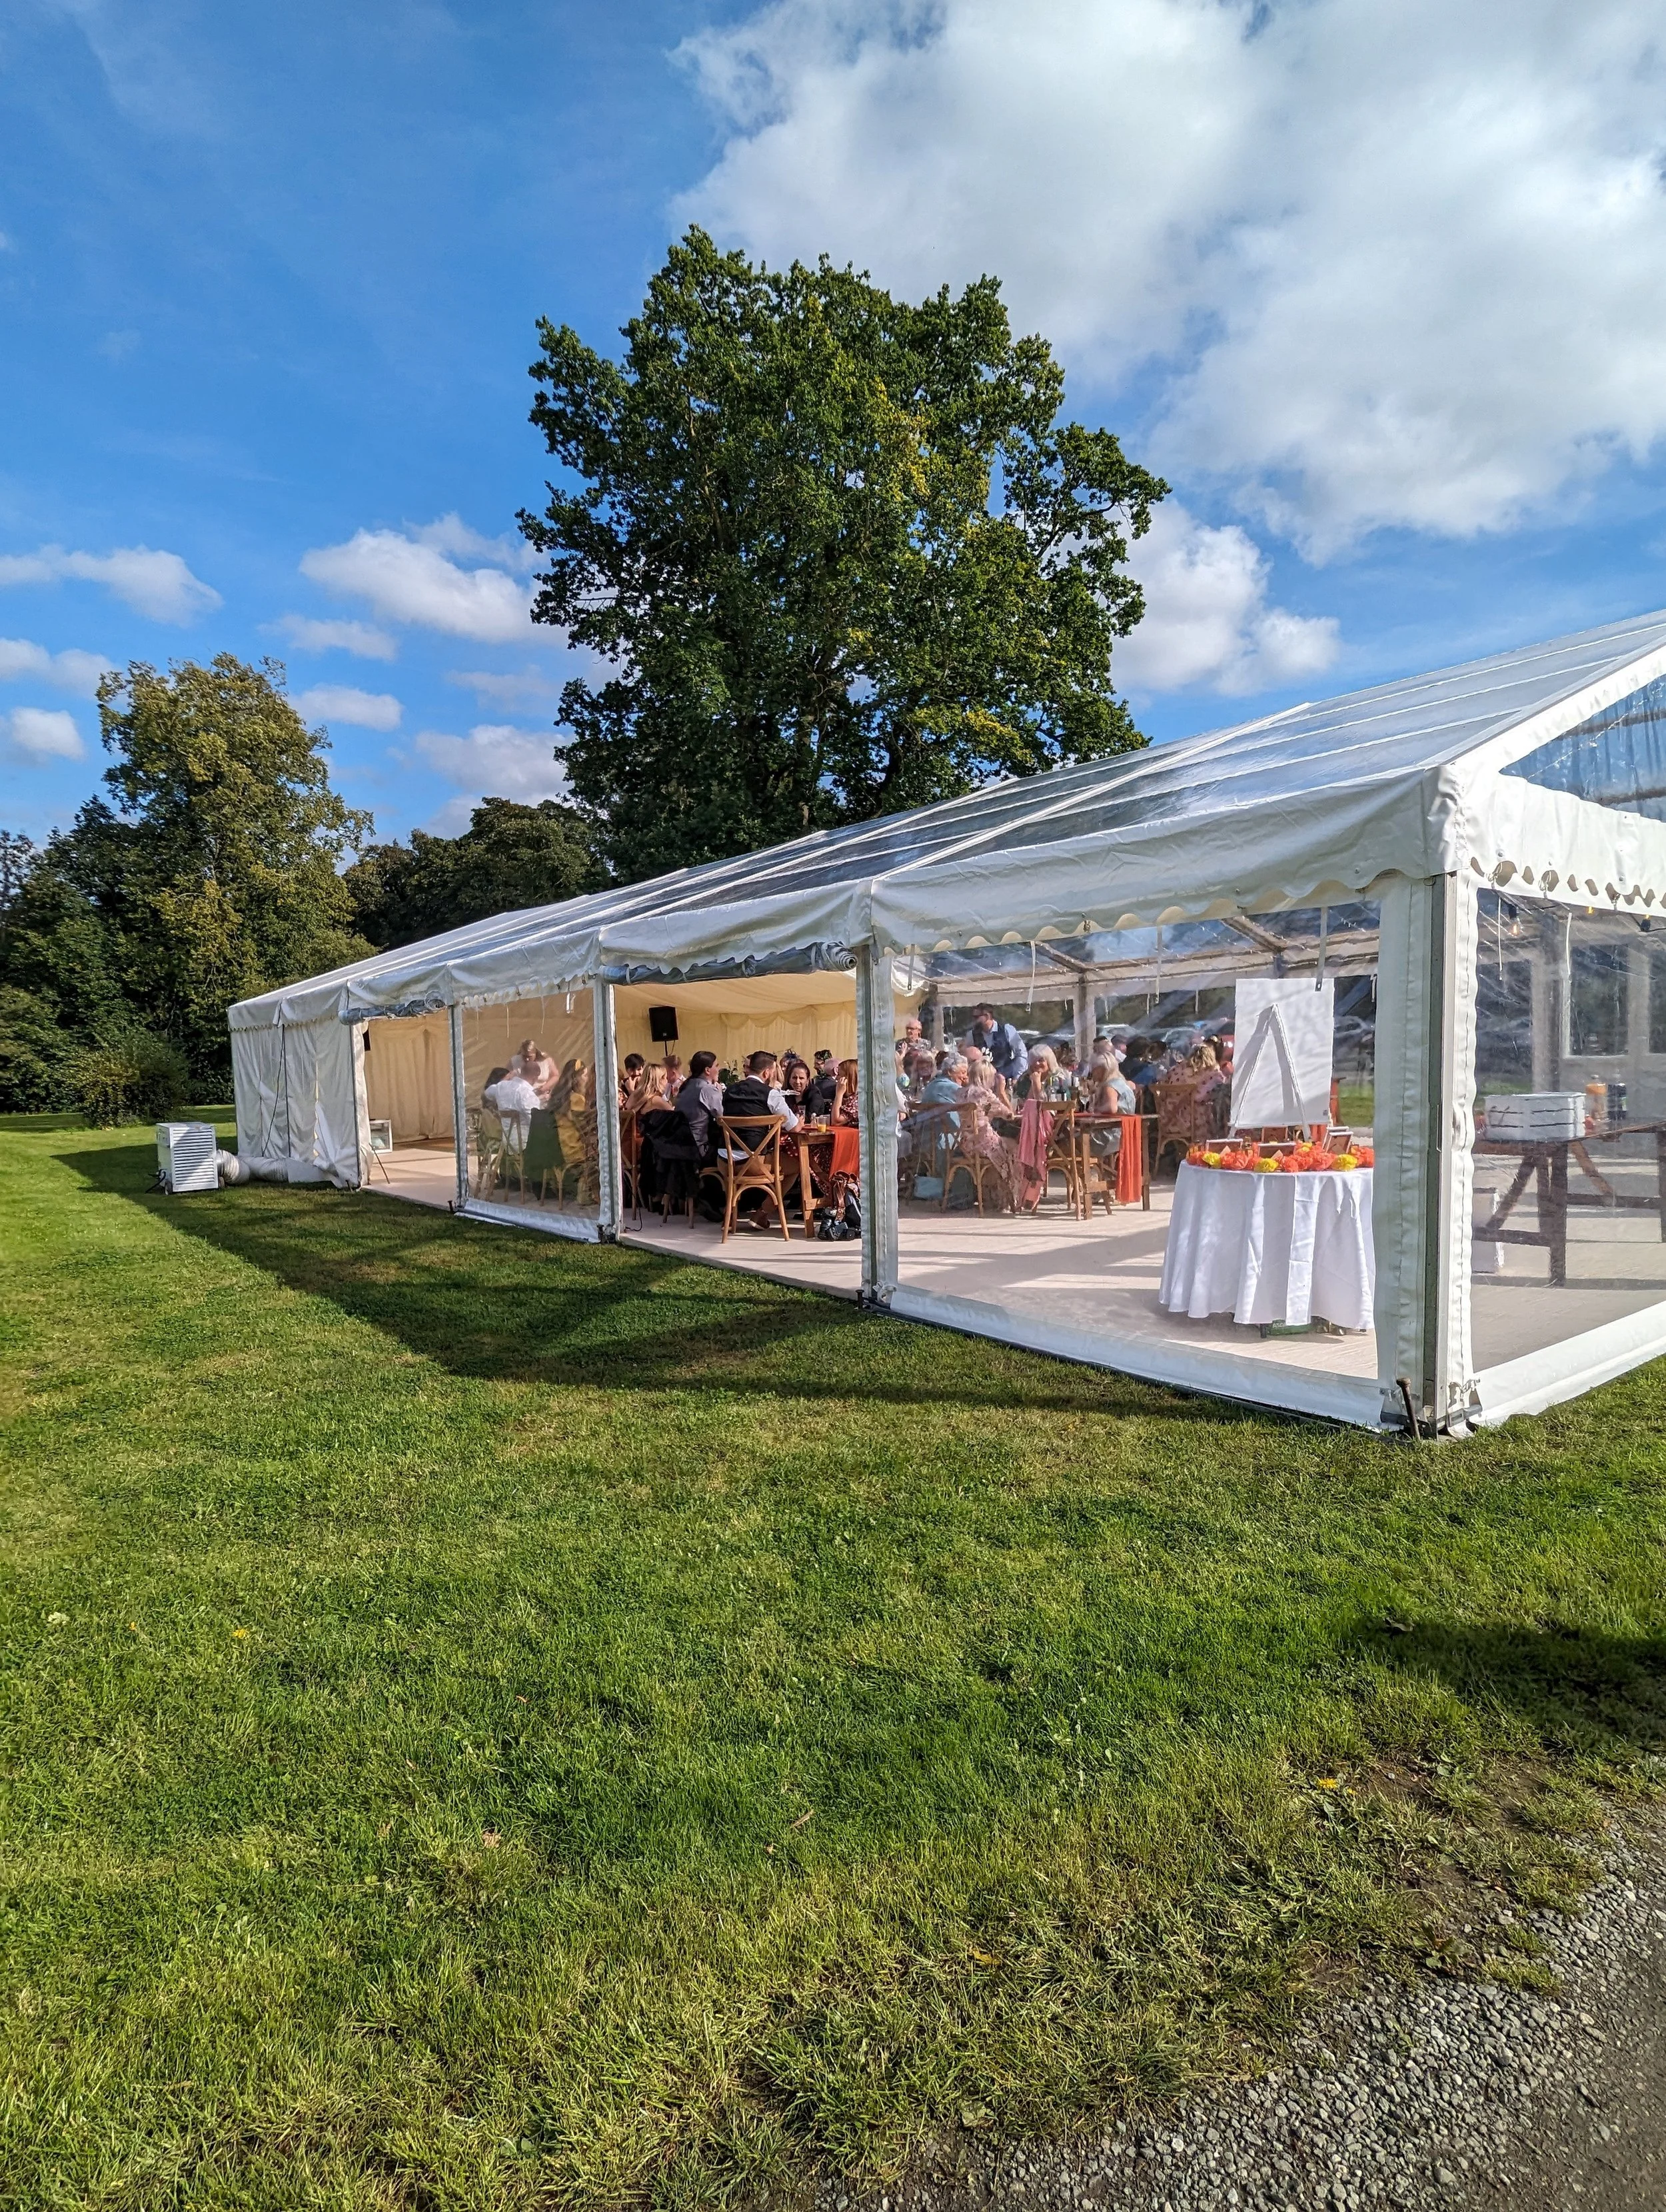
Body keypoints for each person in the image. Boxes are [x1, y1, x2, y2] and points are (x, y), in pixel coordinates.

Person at [969, 1002, 1029, 1087]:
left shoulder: (1007, 1030)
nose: (974, 1021)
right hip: (982, 1085)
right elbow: (968, 1058)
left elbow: (1021, 1054)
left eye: (976, 1017)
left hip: (1006, 1082)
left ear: (987, 1016)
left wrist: (1017, 1076)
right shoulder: (972, 1034)